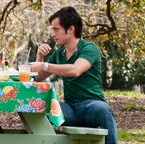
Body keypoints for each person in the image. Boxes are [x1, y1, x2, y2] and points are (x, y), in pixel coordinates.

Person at [30, 6, 117, 144]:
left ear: (70, 29)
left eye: (56, 29)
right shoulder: (59, 54)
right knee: (40, 106)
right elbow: (37, 77)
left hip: (91, 105)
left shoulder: (89, 48)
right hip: (69, 109)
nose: (53, 34)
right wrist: (40, 57)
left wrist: (45, 65)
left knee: (103, 109)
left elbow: (76, 70)